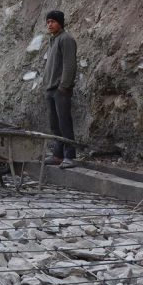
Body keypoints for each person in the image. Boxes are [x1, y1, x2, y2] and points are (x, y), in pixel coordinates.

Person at [44, 10, 78, 168]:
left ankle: (69, 156)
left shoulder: (66, 39)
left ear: (60, 23)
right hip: (51, 89)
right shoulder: (53, 40)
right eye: (48, 22)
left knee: (64, 123)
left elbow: (69, 65)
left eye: (53, 21)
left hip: (60, 89)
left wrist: (63, 86)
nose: (49, 24)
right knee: (55, 124)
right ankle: (58, 154)